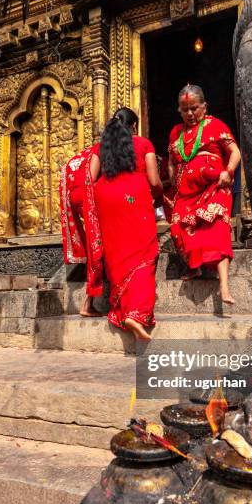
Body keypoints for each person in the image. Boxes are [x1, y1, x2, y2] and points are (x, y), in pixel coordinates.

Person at [168, 84, 241, 304]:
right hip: (185, 192)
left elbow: (235, 152)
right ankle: (195, 267)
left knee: (216, 231)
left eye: (194, 108)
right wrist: (173, 182)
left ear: (204, 106)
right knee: (177, 229)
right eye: (185, 109)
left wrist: (228, 171)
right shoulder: (175, 132)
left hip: (214, 187)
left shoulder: (215, 125)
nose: (190, 113)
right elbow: (172, 161)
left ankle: (224, 287)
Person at [93, 110, 159, 341]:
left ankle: (122, 306)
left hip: (105, 195)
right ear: (134, 126)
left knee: (118, 252)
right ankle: (135, 314)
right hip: (134, 193)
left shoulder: (101, 146)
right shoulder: (143, 143)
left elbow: (90, 178)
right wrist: (160, 196)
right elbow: (153, 181)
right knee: (144, 253)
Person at [60, 144, 103, 317]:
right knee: (98, 246)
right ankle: (88, 302)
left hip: (73, 197)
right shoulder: (100, 150)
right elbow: (90, 179)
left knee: (95, 243)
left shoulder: (82, 153)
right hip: (88, 195)